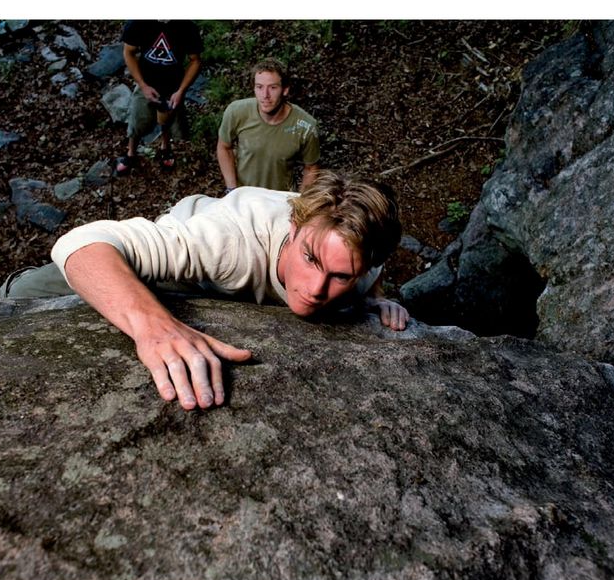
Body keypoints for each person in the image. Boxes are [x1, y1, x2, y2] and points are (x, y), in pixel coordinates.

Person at [43, 170, 409, 411]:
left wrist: (374, 297)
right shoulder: (227, 245)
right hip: (178, 251)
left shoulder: (359, 251)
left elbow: (373, 269)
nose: (316, 289)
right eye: (310, 259)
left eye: (341, 277)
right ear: (293, 228)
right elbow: (81, 242)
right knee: (32, 289)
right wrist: (153, 324)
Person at [216, 58, 320, 193]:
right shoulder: (237, 112)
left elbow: (311, 168)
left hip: (280, 199)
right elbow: (224, 147)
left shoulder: (305, 126)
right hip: (243, 196)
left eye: (273, 87)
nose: (265, 95)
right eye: (259, 87)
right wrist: (232, 189)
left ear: (285, 90)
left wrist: (300, 202)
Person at [115, 20, 202, 175]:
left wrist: (181, 90)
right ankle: (131, 154)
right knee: (137, 118)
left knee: (168, 117)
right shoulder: (139, 22)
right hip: (146, 80)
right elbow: (128, 52)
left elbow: (195, 60)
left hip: (173, 83)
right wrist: (143, 85)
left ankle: (165, 147)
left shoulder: (186, 26)